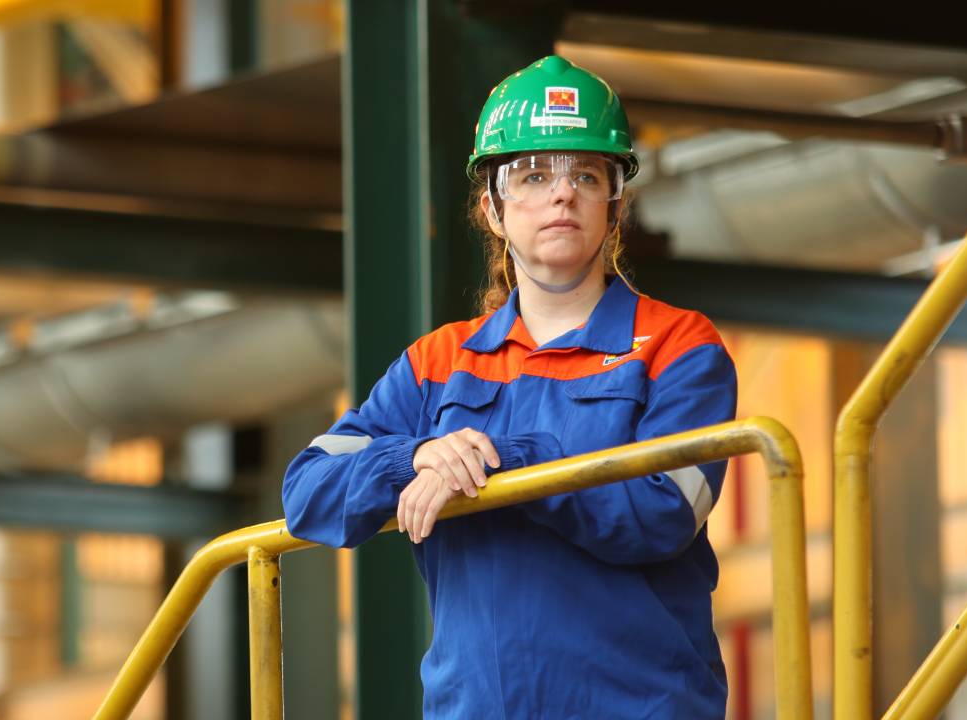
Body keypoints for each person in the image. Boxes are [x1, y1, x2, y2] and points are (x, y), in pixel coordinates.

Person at [281, 55, 736, 719]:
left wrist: (504, 458)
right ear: (491, 209)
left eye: (587, 173)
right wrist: (410, 458)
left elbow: (661, 514)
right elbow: (307, 490)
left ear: (615, 205)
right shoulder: (437, 364)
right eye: (531, 176)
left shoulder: (680, 347)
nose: (562, 193)